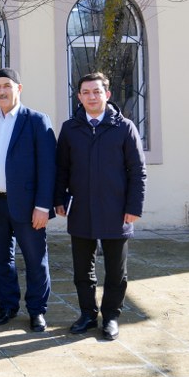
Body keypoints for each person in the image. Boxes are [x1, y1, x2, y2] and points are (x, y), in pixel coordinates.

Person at [56, 72, 146, 341]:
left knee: (116, 271)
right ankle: (87, 314)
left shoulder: (124, 127)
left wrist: (134, 206)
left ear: (107, 94)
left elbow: (137, 171)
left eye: (96, 91)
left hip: (116, 210)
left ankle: (110, 317)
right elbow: (61, 168)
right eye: (86, 92)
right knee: (83, 270)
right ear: (79, 97)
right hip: (81, 209)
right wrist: (58, 199)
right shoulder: (70, 129)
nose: (91, 97)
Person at [0, 68, 57, 332]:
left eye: (6, 86)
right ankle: (7, 306)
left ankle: (37, 310)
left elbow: (48, 167)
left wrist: (43, 206)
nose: (1, 91)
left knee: (35, 260)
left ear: (18, 89)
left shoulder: (37, 121)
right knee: (1, 260)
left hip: (29, 207)